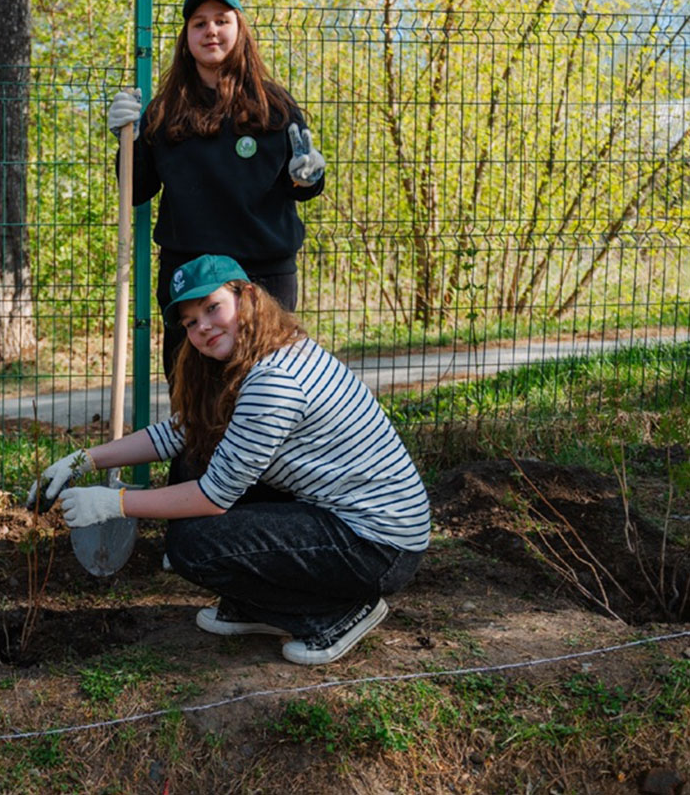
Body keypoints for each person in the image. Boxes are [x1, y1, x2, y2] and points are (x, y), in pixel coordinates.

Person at [29, 255, 430, 665]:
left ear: (247, 297)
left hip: (377, 544)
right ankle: (259, 605)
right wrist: (85, 460)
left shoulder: (274, 379)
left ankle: (335, 613)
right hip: (341, 515)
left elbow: (213, 498)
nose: (202, 326)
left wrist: (114, 504)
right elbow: (180, 433)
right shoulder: (261, 354)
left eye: (212, 307)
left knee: (193, 547)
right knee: (195, 459)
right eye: (190, 322)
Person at [107, 0, 326, 381]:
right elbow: (136, 191)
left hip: (263, 276)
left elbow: (304, 184)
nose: (211, 30)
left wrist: (309, 176)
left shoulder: (274, 106)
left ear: (239, 29)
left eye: (221, 20)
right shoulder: (163, 112)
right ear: (186, 37)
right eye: (199, 23)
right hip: (190, 278)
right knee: (194, 400)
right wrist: (129, 140)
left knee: (268, 390)